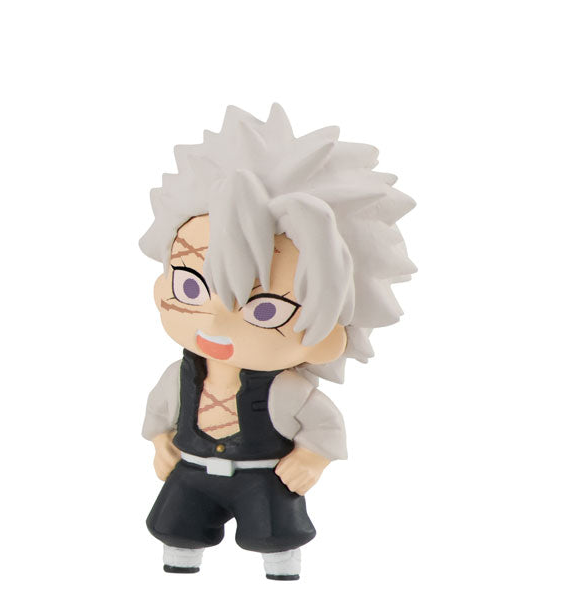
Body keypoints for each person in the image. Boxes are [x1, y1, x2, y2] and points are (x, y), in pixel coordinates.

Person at [139, 104, 416, 579]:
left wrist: (311, 458)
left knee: (275, 537)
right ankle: (180, 567)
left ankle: (281, 573)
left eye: (266, 310)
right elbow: (160, 412)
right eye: (190, 285)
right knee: (176, 528)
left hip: (263, 477)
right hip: (191, 471)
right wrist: (161, 442)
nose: (217, 322)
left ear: (327, 338)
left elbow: (324, 426)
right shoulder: (180, 376)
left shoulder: (289, 390)